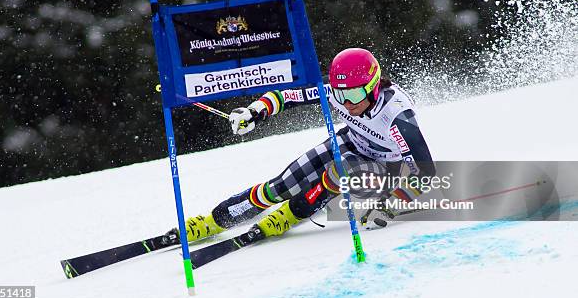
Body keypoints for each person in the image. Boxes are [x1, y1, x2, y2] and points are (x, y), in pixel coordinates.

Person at [177, 48, 435, 243]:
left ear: (373, 87)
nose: (347, 103)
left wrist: (391, 205)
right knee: (281, 186)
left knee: (341, 170)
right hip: (350, 142)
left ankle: (292, 212)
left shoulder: (397, 115)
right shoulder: (339, 90)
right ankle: (216, 219)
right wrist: (254, 112)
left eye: (354, 95)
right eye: (340, 94)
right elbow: (286, 95)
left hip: (383, 170)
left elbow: (425, 174)